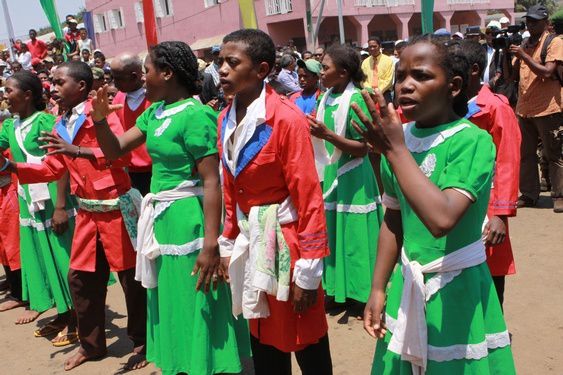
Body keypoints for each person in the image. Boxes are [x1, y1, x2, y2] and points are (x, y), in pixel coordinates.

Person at [355, 36, 515, 374]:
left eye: (422, 76)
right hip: (408, 284)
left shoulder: (471, 141)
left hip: (456, 288)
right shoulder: (399, 141)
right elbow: (394, 220)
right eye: (400, 76)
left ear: (454, 86)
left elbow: (441, 219)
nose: (406, 86)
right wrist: (378, 288)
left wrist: (394, 150)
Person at [92, 41, 250, 375]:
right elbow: (114, 150)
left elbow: (211, 181)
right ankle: (182, 361)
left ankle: (207, 364)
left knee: (197, 296)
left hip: (188, 220)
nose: (143, 78)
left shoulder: (196, 115)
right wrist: (101, 121)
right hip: (162, 219)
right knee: (172, 296)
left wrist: (211, 244)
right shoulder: (155, 112)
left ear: (167, 73)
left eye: (147, 71)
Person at [0, 61, 147, 371]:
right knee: (80, 279)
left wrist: (79, 151)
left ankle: (142, 341)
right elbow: (54, 168)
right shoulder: (59, 124)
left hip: (115, 209)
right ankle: (91, 346)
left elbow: (123, 157)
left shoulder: (103, 115)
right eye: (52, 81)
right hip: (87, 214)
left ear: (80, 86)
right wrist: (13, 168)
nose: (53, 86)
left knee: (130, 280)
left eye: (59, 81)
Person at [218, 28, 333, 375]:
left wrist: (308, 271)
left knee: (305, 336)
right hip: (252, 240)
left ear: (261, 69)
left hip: (288, 244)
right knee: (262, 334)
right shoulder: (226, 117)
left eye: (232, 62)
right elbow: (230, 187)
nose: (222, 69)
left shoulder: (285, 118)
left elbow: (308, 195)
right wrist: (228, 240)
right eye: (220, 61)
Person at [0, 71, 79, 343]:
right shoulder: (10, 126)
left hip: (52, 198)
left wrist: (59, 206)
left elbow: (61, 165)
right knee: (44, 256)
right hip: (28, 201)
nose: (5, 96)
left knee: (63, 256)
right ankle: (64, 311)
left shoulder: (44, 121)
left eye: (9, 91)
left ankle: (80, 317)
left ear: (28, 95)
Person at [306, 44, 383, 313]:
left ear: (344, 73)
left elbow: (364, 148)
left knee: (355, 238)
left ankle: (361, 293)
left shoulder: (358, 100)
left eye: (325, 67)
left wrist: (328, 135)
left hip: (353, 178)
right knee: (334, 233)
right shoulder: (323, 98)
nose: (321, 72)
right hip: (330, 173)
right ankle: (338, 289)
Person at [457, 40, 521, 310]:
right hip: (457, 202)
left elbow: (507, 161)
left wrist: (500, 215)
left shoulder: (494, 108)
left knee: (490, 281)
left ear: (472, 70)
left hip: (488, 205)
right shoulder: (449, 106)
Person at [510, 4, 563, 212]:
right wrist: (510, 56)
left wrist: (523, 55)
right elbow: (512, 75)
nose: (529, 24)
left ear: (545, 23)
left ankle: (559, 195)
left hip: (548, 108)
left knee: (555, 154)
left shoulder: (554, 41)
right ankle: (529, 194)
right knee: (526, 154)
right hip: (525, 108)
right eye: (528, 21)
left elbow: (548, 72)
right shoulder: (525, 43)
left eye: (534, 21)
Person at [110, 53, 153, 196]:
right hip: (130, 172)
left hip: (155, 170)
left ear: (134, 76)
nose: (114, 83)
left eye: (118, 79)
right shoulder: (118, 98)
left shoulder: (154, 98)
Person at [361, 37, 394, 103]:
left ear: (380, 46)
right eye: (370, 47)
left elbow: (388, 80)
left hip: (384, 93)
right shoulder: (365, 62)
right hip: (369, 94)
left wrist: (378, 92)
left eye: (374, 46)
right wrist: (370, 91)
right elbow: (363, 79)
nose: (372, 49)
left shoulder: (388, 61)